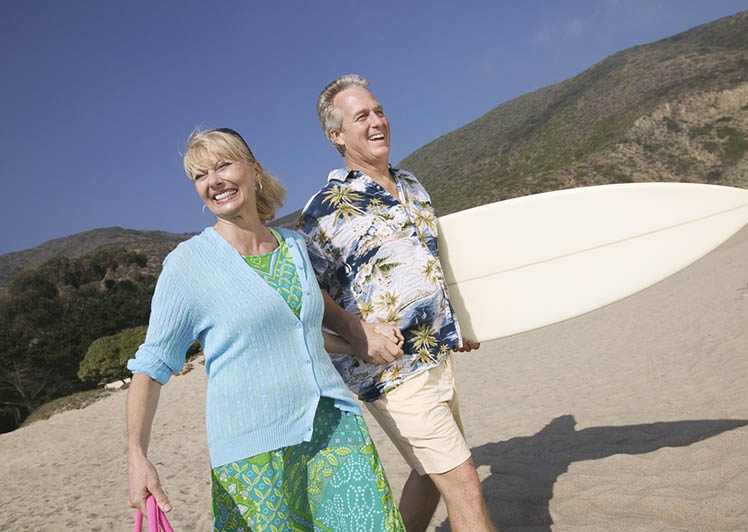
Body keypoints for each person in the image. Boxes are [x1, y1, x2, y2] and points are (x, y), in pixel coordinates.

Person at [126, 127, 406, 532]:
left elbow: (297, 328)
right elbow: (150, 367)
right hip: (253, 450)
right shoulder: (187, 265)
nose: (214, 181)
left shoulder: (293, 245)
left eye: (223, 165)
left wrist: (359, 340)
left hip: (334, 428)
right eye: (201, 175)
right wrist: (137, 455)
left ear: (254, 171)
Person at [297, 75, 495, 532]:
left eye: (379, 110)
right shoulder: (325, 209)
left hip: (436, 354)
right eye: (361, 116)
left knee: (429, 478)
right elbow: (305, 291)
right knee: (464, 483)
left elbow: (430, 263)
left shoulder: (411, 184)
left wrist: (455, 322)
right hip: (391, 371)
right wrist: (353, 330)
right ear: (337, 136)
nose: (377, 122)